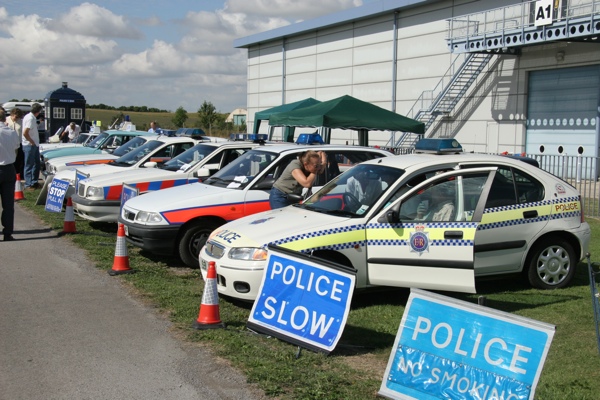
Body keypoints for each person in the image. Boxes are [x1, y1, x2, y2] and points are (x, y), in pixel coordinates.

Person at [0, 110, 21, 241]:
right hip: (8, 168)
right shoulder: (11, 132)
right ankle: (8, 232)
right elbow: (16, 148)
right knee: (8, 204)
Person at [21, 103, 43, 190]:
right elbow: (25, 132)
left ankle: (34, 181)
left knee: (36, 164)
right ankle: (28, 184)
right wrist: (31, 141)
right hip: (30, 145)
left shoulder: (29, 117)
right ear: (38, 112)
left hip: (33, 144)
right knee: (29, 164)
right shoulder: (30, 119)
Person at [6, 108, 24, 178]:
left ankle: (18, 174)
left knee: (19, 160)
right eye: (16, 117)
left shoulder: (21, 122)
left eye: (18, 117)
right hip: (8, 143)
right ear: (12, 115)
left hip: (18, 143)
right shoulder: (6, 120)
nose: (16, 119)